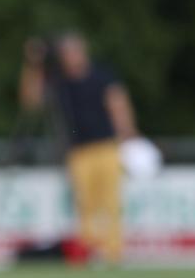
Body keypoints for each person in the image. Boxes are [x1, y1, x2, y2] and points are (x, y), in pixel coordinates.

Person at [19, 31, 139, 264]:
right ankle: (88, 251)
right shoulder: (58, 81)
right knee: (85, 205)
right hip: (78, 152)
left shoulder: (102, 76)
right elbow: (31, 101)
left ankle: (113, 253)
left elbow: (118, 103)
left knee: (111, 202)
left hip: (107, 147)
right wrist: (34, 65)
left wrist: (128, 133)